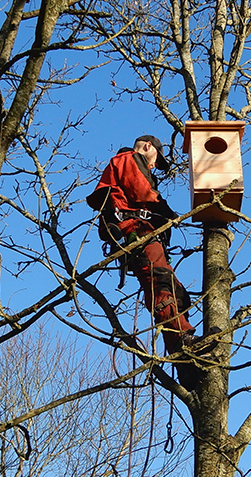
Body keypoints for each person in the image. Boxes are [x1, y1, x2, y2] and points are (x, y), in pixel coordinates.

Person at [86, 135, 204, 385]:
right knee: (160, 283)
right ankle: (182, 340)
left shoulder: (127, 162)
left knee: (177, 292)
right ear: (148, 147)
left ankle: (185, 363)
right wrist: (166, 210)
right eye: (154, 162)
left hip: (144, 233)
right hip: (136, 231)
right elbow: (141, 189)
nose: (152, 167)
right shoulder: (128, 159)